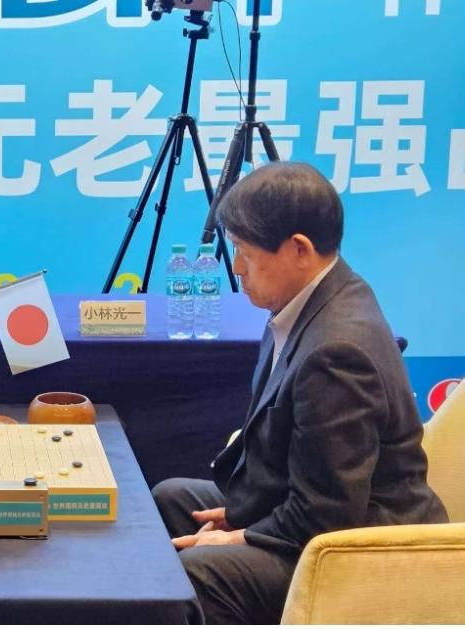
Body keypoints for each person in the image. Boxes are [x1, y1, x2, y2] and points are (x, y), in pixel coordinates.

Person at [152, 161, 447, 624]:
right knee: (172, 500)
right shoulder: (312, 297)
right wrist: (239, 517)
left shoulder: (336, 353)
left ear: (299, 249)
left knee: (198, 572)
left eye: (245, 251)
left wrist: (240, 535)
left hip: (361, 549)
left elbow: (328, 515)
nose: (237, 267)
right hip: (315, 512)